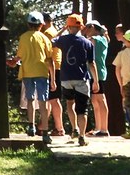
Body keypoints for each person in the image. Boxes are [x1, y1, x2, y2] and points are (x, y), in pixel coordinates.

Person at [53, 15, 100, 146]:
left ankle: (74, 129)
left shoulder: (63, 40)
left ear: (68, 26)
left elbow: (51, 41)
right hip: (82, 79)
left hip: (66, 78)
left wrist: (63, 30)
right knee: (82, 109)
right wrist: (96, 81)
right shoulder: (87, 43)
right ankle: (82, 136)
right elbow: (92, 63)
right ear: (81, 27)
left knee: (70, 103)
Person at [13, 11, 55, 141]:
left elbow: (19, 56)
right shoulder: (45, 38)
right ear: (41, 25)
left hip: (27, 72)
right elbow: (50, 59)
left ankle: (31, 126)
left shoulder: (23, 37)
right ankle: (45, 132)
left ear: (28, 24)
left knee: (30, 99)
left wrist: (13, 61)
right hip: (42, 72)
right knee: (43, 101)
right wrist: (53, 79)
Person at [87, 21, 111, 136]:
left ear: (92, 27)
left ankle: (104, 129)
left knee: (100, 99)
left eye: (87, 27)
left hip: (96, 73)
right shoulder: (104, 39)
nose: (85, 30)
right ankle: (98, 128)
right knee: (95, 100)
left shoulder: (95, 39)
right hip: (97, 73)